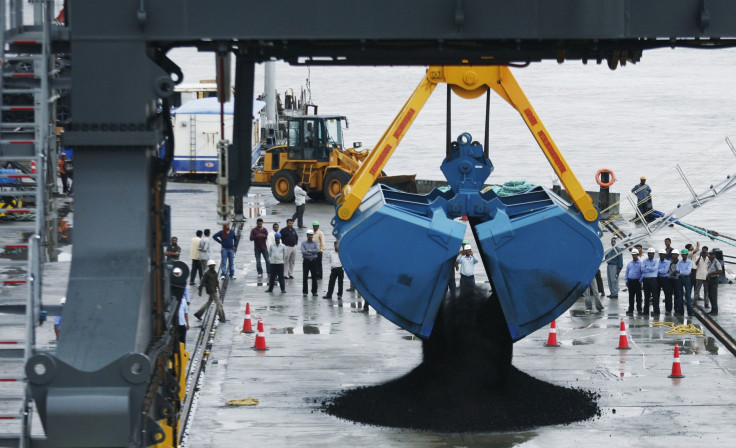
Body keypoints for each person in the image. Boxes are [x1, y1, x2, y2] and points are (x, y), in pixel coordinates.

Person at [641, 247, 659, 316]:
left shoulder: (656, 261)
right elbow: (642, 269)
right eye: (649, 253)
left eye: (651, 254)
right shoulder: (645, 261)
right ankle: (646, 311)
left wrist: (647, 268)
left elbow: (654, 268)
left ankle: (656, 311)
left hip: (653, 280)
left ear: (653, 254)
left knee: (655, 296)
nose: (650, 255)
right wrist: (650, 269)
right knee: (646, 296)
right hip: (646, 280)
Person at [624, 248, 643, 316]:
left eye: (635, 255)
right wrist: (626, 281)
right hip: (630, 281)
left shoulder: (641, 263)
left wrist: (640, 281)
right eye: (633, 255)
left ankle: (639, 309)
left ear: (638, 255)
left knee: (638, 296)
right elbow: (627, 272)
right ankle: (630, 309)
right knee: (631, 296)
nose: (634, 256)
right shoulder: (629, 264)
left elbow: (642, 273)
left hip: (637, 281)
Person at [301, 229, 320, 296]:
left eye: (311, 235)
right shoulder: (303, 243)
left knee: (314, 277)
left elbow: (317, 250)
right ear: (307, 235)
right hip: (306, 261)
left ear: (312, 235)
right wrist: (311, 252)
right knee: (305, 277)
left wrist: (308, 250)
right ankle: (305, 292)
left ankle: (314, 291)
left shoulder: (315, 243)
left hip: (314, 261)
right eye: (309, 235)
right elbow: (303, 252)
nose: (310, 236)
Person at [706, 250, 724, 316]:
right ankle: (712, 309)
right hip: (710, 279)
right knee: (710, 295)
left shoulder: (716, 262)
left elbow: (720, 271)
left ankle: (715, 311)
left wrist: (712, 273)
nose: (710, 256)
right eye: (709, 255)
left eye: (711, 255)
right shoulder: (710, 261)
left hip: (714, 279)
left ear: (714, 255)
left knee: (713, 295)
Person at [677, 248, 694, 316]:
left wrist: (680, 272)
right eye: (682, 254)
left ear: (687, 255)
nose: (683, 256)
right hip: (680, 278)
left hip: (687, 279)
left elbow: (688, 272)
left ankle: (690, 312)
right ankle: (681, 312)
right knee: (680, 295)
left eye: (684, 254)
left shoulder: (689, 262)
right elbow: (677, 272)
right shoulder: (679, 262)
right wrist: (681, 272)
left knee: (688, 295)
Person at [655, 249, 671, 315]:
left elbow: (665, 270)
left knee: (667, 295)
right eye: (661, 254)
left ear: (665, 255)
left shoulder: (668, 262)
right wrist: (658, 270)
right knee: (656, 295)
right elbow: (656, 269)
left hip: (665, 279)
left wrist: (657, 270)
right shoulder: (657, 262)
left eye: (663, 254)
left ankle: (668, 310)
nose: (662, 255)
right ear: (659, 255)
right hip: (658, 279)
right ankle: (656, 309)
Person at [667, 250, 681, 315]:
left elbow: (681, 270)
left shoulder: (680, 262)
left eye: (675, 254)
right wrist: (671, 263)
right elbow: (667, 270)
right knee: (669, 295)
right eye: (673, 254)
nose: (674, 256)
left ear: (678, 255)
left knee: (677, 295)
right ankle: (668, 310)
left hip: (677, 279)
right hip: (670, 279)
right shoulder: (669, 262)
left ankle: (677, 309)